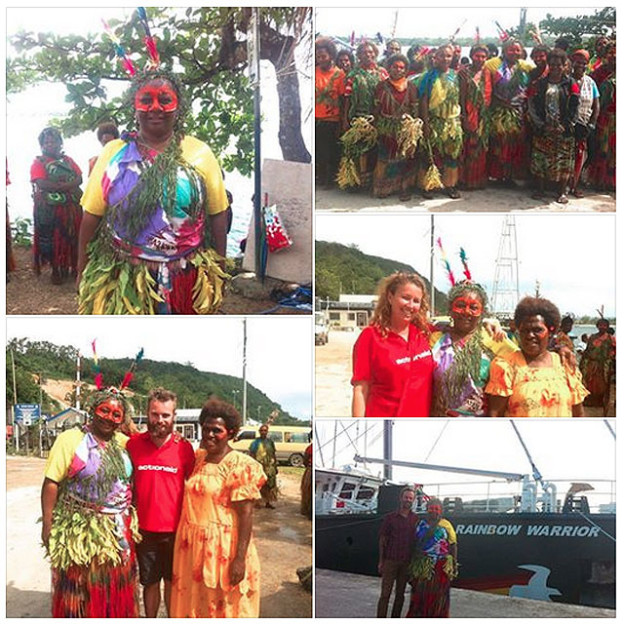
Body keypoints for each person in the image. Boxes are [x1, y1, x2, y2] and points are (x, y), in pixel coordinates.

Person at [77, 69, 229, 314]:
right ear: (134, 107)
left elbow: (218, 214)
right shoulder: (113, 153)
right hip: (124, 277)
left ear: (178, 106)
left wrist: (219, 274)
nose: (155, 107)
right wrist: (82, 273)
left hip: (186, 276)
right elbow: (91, 216)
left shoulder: (200, 153)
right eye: (146, 100)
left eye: (165, 99)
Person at [41, 387, 140, 617]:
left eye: (116, 415)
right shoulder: (70, 440)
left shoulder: (124, 443)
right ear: (92, 410)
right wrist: (48, 524)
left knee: (111, 591)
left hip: (116, 533)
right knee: (78, 592)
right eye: (104, 410)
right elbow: (51, 483)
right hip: (79, 531)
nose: (109, 418)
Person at [170, 398, 265, 618]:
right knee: (194, 604)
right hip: (191, 546)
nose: (209, 435)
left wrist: (239, 559)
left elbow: (246, 514)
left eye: (217, 430)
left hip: (223, 549)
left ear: (231, 433)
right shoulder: (198, 459)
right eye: (206, 429)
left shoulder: (240, 465)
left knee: (222, 606)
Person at [126, 388, 195, 618]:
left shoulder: (184, 448)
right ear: (147, 413)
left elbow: (196, 488)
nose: (160, 420)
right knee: (150, 582)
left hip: (176, 531)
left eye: (166, 415)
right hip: (144, 531)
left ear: (174, 416)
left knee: (173, 582)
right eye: (155, 414)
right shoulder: (133, 445)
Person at [486, 296, 588, 417]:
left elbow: (578, 413)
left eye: (537, 330)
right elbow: (496, 415)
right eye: (525, 330)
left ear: (551, 332)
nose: (530, 335)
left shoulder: (565, 364)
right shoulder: (506, 366)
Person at [352, 272, 434, 417]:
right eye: (405, 298)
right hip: (384, 424)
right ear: (390, 297)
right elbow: (361, 389)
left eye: (416, 300)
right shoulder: (371, 336)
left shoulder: (423, 334)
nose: (411, 305)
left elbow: (457, 329)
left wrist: (487, 325)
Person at [430, 282, 515, 417]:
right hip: (438, 423)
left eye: (474, 307)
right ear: (450, 309)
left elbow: (522, 362)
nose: (466, 312)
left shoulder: (493, 338)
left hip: (479, 427)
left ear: (482, 312)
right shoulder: (435, 339)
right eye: (460, 306)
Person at [31, 127, 83, 285]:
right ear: (42, 145)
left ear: (60, 143)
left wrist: (62, 186)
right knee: (52, 239)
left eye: (54, 141)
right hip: (49, 208)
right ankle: (55, 269)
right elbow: (41, 183)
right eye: (46, 142)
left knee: (73, 237)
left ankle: (73, 267)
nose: (50, 144)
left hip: (71, 207)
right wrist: (65, 187)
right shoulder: (38, 162)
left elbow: (79, 178)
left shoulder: (68, 160)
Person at [528, 48, 580, 204]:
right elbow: (532, 106)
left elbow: (575, 106)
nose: (555, 68)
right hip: (544, 129)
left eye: (559, 65)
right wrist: (542, 125)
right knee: (541, 160)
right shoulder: (539, 83)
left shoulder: (571, 83)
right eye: (552, 64)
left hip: (563, 130)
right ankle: (540, 189)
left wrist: (566, 125)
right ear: (548, 65)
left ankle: (561, 191)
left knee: (563, 161)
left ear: (565, 65)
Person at [371, 53, 419, 200]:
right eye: (395, 67)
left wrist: (414, 129)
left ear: (405, 70)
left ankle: (404, 187)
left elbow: (415, 109)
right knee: (386, 157)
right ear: (389, 68)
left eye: (401, 67)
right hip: (386, 127)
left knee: (404, 158)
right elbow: (376, 109)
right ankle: (384, 187)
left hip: (405, 129)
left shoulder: (411, 87)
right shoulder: (381, 86)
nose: (398, 70)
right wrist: (374, 126)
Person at [485, 38, 533, 185]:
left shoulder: (526, 67)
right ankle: (497, 175)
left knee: (515, 143)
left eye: (517, 50)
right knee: (499, 143)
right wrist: (500, 102)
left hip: (518, 111)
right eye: (511, 49)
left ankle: (510, 176)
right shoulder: (493, 66)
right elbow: (488, 88)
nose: (514, 52)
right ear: (504, 51)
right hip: (499, 111)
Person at [342, 41, 389, 188]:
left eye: (371, 52)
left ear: (375, 53)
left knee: (377, 149)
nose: (368, 55)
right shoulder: (353, 75)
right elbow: (347, 98)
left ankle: (376, 180)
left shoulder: (382, 73)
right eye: (364, 53)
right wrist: (344, 119)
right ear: (359, 56)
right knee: (360, 149)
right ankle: (359, 180)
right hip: (359, 118)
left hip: (380, 117)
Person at [419, 44, 463, 199]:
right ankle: (429, 186)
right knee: (432, 155)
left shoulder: (455, 75)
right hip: (434, 121)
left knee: (452, 155)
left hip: (452, 123)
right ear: (435, 58)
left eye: (449, 56)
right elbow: (423, 100)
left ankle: (450, 185)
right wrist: (425, 123)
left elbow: (460, 98)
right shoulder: (429, 76)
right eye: (442, 55)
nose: (445, 59)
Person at [406, 498, 458, 618]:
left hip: (441, 566)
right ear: (427, 509)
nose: (434, 511)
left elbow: (453, 545)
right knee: (420, 593)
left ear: (441, 511)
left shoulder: (446, 525)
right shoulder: (420, 524)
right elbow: (414, 544)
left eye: (437, 509)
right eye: (431, 508)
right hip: (422, 566)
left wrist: (454, 564)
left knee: (439, 595)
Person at [377, 487, 418, 618]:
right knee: (385, 595)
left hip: (406, 562)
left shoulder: (415, 519)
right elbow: (383, 540)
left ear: (414, 500)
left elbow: (416, 542)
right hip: (390, 560)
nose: (408, 500)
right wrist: (381, 561)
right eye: (406, 497)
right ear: (401, 498)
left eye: (410, 498)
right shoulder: (390, 518)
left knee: (400, 595)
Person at [458, 44, 492, 190]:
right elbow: (461, 97)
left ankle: (478, 180)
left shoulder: (488, 72)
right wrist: (464, 117)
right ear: (471, 56)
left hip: (484, 116)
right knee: (467, 148)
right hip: (468, 114)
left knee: (481, 148)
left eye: (483, 57)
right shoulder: (464, 73)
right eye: (477, 56)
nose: (480, 59)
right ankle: (464, 180)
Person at [315, 37, 346, 189]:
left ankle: (328, 179)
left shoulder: (339, 75)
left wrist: (343, 121)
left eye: (323, 57)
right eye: (318, 57)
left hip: (331, 119)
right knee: (319, 150)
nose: (320, 60)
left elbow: (343, 100)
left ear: (331, 56)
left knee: (329, 151)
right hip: (316, 118)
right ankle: (320, 177)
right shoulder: (314, 72)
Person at [569, 50, 600, 198]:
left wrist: (592, 124)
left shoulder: (590, 82)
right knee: (569, 155)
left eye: (583, 63)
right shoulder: (566, 80)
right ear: (572, 63)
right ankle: (564, 185)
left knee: (584, 155)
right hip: (569, 124)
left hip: (585, 124)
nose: (580, 65)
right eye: (577, 62)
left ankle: (575, 185)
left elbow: (596, 105)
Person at [587, 40, 615, 192]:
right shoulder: (597, 73)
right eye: (611, 53)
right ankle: (600, 181)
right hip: (605, 118)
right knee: (603, 150)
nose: (615, 56)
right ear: (605, 55)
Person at [579, 318, 616, 413]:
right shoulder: (592, 337)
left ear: (607, 327)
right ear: (597, 326)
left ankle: (601, 402)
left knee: (602, 385)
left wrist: (611, 363)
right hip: (591, 365)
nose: (602, 327)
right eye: (600, 325)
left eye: (604, 325)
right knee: (590, 384)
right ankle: (590, 402)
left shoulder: (610, 338)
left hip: (604, 367)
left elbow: (614, 351)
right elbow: (588, 350)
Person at [249, 424, 279, 508]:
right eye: (261, 430)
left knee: (269, 484)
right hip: (259, 466)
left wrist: (275, 466)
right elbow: (251, 454)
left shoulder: (270, 442)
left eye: (265, 430)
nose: (263, 432)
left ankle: (268, 502)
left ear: (267, 432)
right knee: (258, 484)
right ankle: (257, 502)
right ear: (259, 432)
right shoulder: (255, 442)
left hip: (269, 467)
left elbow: (273, 454)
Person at [300, 438, 313, 518]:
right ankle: (308, 510)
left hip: (311, 469)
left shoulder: (310, 447)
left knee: (309, 491)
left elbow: (305, 460)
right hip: (310, 469)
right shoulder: (310, 448)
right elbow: (305, 460)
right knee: (308, 491)